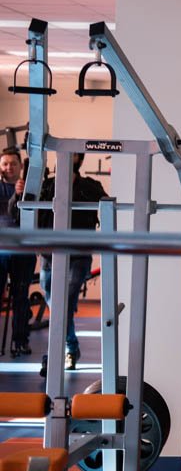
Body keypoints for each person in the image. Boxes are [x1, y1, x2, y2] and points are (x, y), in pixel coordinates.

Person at [17, 153, 108, 373]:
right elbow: (25, 211)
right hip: (50, 254)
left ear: (79, 160)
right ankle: (71, 347)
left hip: (78, 255)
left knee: (63, 303)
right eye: (62, 155)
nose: (65, 158)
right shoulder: (46, 186)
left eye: (72, 155)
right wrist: (21, 192)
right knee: (58, 304)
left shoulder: (90, 186)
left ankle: (56, 355)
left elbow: (107, 205)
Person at [0, 148, 34, 358]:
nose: (9, 167)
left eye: (13, 163)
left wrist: (22, 193)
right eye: (5, 164)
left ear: (21, 166)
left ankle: (20, 341)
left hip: (24, 249)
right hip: (1, 249)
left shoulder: (31, 188)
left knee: (21, 296)